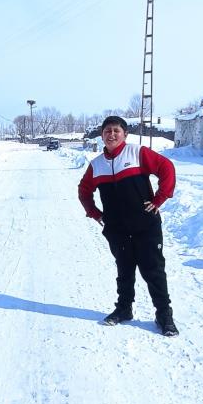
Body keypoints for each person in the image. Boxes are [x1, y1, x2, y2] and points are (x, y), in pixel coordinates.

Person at [77, 116, 179, 336]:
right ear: (102, 135)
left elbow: (167, 168)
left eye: (116, 131)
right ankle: (124, 309)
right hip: (116, 228)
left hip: (146, 225)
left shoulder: (137, 153)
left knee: (153, 270)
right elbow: (84, 190)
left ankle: (164, 314)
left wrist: (159, 198)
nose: (111, 135)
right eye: (107, 131)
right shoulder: (96, 164)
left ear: (124, 134)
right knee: (124, 270)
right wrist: (94, 213)